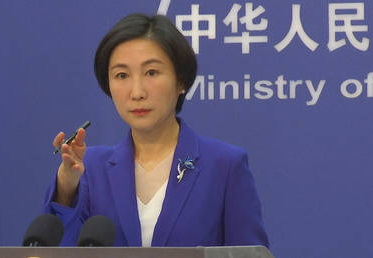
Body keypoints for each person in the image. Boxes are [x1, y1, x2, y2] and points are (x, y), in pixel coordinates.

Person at [44, 13, 269, 247]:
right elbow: (59, 249)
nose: (137, 92)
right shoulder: (90, 168)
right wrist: (66, 185)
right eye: (122, 75)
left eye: (151, 72)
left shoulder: (224, 166)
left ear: (181, 80)